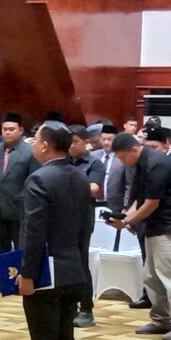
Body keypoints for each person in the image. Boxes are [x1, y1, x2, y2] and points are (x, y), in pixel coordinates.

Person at [13, 122, 94, 340]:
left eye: (35, 139)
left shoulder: (39, 178)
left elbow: (34, 232)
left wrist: (27, 274)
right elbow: (86, 228)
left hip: (46, 273)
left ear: (45, 145)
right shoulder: (79, 176)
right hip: (74, 270)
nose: (33, 144)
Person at [110, 133, 171, 340]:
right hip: (155, 226)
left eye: (122, 157)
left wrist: (128, 222)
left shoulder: (156, 163)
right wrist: (126, 217)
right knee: (152, 276)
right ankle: (162, 320)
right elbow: (140, 199)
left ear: (133, 149)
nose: (121, 162)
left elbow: (152, 203)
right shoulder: (141, 163)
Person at [0, 113, 41, 280]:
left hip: (19, 208)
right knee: (1, 246)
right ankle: (6, 280)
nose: (7, 132)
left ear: (21, 130)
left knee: (20, 247)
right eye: (5, 129)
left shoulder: (29, 151)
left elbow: (34, 180)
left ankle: (20, 279)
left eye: (11, 129)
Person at [68, 125, 107, 328]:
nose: (71, 146)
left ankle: (86, 308)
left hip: (81, 221)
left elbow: (93, 188)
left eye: (75, 141)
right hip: (61, 219)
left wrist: (63, 183)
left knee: (81, 263)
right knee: (63, 263)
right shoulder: (62, 162)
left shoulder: (94, 163)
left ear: (86, 143)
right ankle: (68, 306)